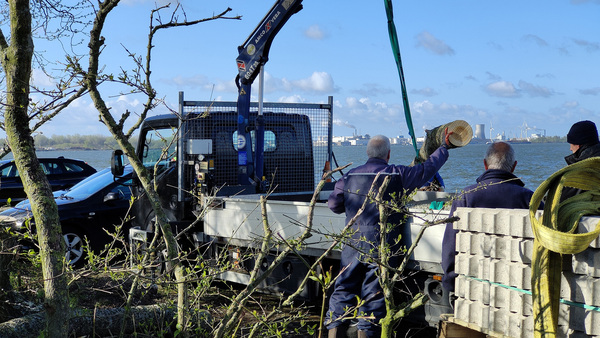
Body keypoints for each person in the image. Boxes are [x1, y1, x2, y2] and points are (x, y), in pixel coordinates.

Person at [326, 132, 453, 338]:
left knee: (343, 293)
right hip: (383, 247)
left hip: (354, 245)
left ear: (367, 153)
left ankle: (334, 332)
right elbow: (427, 169)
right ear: (388, 154)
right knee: (374, 299)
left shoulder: (349, 176)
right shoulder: (397, 174)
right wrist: (443, 149)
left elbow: (333, 204)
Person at [441, 141, 536, 293]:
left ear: (485, 164)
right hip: (518, 286)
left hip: (473, 282)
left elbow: (451, 246)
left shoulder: (466, 197)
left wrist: (451, 282)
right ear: (514, 166)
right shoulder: (530, 198)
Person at [562, 120, 600, 200]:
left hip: (585, 210)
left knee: (527, 195)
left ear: (578, 144)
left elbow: (561, 200)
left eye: (571, 144)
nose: (570, 149)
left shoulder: (583, 169)